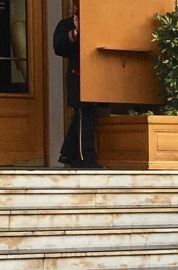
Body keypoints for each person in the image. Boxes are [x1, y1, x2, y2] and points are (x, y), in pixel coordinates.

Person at [53, 3, 99, 168]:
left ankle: (68, 154)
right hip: (78, 77)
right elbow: (58, 48)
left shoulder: (99, 22)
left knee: (85, 117)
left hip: (99, 78)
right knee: (83, 114)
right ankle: (85, 158)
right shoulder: (66, 24)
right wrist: (76, 32)